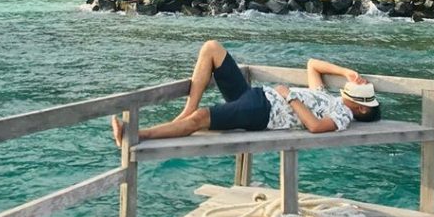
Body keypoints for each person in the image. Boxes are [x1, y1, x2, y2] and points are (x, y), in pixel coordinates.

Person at [111, 40, 381, 145]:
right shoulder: (329, 98)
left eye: (360, 88)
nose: (358, 83)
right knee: (211, 48)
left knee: (201, 120)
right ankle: (187, 108)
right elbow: (313, 65)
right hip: (257, 95)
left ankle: (135, 134)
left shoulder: (343, 114)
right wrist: (346, 72)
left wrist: (290, 95)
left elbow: (314, 126)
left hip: (263, 112)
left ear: (362, 108)